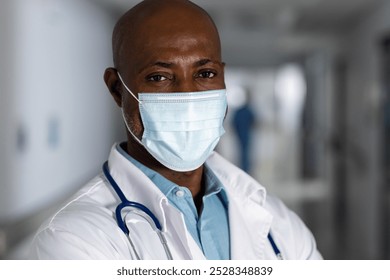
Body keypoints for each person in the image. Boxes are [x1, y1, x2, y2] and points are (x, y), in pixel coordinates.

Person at [29, 0, 322, 260]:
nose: (188, 97)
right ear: (118, 90)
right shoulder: (72, 240)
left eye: (205, 74)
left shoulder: (279, 222)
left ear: (223, 78)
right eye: (159, 77)